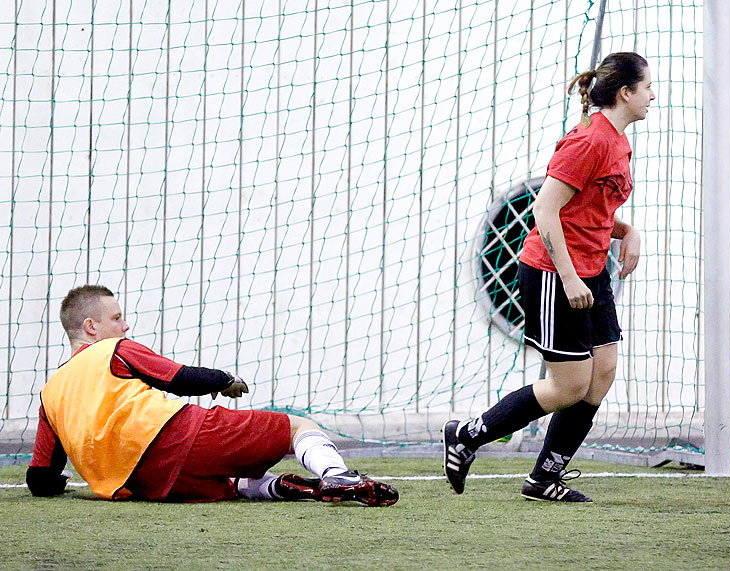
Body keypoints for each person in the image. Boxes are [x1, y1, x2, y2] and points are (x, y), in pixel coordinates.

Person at [442, 52, 651, 502]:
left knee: (604, 372)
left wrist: (628, 230)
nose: (653, 96)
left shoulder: (618, 141)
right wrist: (570, 277)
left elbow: (589, 213)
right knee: (569, 385)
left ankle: (542, 479)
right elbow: (545, 208)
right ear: (625, 93)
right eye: (648, 87)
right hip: (554, 274)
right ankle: (466, 434)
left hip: (592, 272)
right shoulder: (589, 141)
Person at [26, 285, 399, 506]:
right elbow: (178, 378)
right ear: (91, 327)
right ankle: (338, 476)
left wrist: (60, 485)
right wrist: (224, 379)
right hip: (180, 438)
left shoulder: (50, 394)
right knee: (295, 426)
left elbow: (40, 479)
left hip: (147, 486)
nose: (125, 325)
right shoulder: (115, 349)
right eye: (117, 318)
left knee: (231, 483)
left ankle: (281, 487)